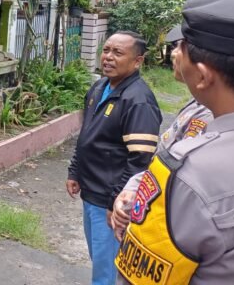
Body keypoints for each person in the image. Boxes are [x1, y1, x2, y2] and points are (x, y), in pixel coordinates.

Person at [115, 0, 234, 284]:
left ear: (204, 76)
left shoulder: (189, 171)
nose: (175, 54)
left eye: (182, 48)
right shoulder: (198, 112)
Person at [67, 31, 163, 285]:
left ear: (137, 61)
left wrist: (116, 202)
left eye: (118, 53)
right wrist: (75, 170)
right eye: (106, 50)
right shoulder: (100, 87)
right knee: (99, 260)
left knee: (107, 271)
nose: (108, 57)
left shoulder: (139, 100)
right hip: (91, 193)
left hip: (109, 201)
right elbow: (87, 133)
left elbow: (140, 160)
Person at [109, 25, 213, 241]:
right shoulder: (196, 104)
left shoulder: (212, 117)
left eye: (181, 47)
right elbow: (163, 161)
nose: (174, 53)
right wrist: (134, 189)